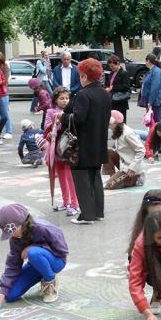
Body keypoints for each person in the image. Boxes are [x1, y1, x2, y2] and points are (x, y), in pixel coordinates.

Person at [58, 58, 111, 224]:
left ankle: (87, 215)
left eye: (80, 74)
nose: (79, 77)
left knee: (82, 179)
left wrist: (63, 116)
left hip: (83, 144)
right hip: (99, 142)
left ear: (85, 77)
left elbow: (78, 118)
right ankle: (98, 212)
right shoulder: (104, 93)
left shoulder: (83, 94)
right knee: (95, 177)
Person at [0, 204, 68, 307]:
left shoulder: (43, 228)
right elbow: (13, 265)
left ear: (23, 222)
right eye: (10, 233)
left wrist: (32, 247)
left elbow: (62, 250)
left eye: (14, 230)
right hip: (36, 264)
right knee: (10, 296)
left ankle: (50, 280)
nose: (13, 235)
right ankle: (43, 273)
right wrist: (3, 292)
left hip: (56, 261)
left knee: (33, 253)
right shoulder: (14, 239)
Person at [44, 87, 79, 217]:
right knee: (61, 176)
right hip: (55, 149)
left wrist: (63, 119)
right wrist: (54, 124)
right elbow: (46, 127)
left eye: (67, 98)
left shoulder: (71, 112)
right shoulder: (50, 111)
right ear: (55, 100)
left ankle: (75, 204)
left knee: (70, 177)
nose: (65, 101)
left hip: (68, 148)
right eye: (61, 98)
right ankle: (66, 202)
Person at [103, 110, 146, 189]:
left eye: (109, 124)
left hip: (131, 169)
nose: (108, 126)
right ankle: (113, 177)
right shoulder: (118, 131)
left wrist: (133, 168)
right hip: (124, 164)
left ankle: (136, 179)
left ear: (115, 123)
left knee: (110, 185)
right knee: (107, 152)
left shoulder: (128, 133)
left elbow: (141, 150)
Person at [0, 51, 13, 140]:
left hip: (3, 93)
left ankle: (9, 131)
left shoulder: (5, 67)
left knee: (5, 113)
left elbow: (4, 81)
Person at [140, 53, 161, 123]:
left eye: (146, 61)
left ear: (148, 61)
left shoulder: (156, 71)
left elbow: (155, 88)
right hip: (151, 102)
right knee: (151, 122)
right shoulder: (152, 71)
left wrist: (150, 101)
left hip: (155, 102)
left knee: (155, 122)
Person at [105, 54, 131, 121]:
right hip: (113, 101)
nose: (111, 68)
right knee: (113, 121)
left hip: (121, 101)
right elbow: (109, 84)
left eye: (113, 66)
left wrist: (112, 87)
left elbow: (126, 86)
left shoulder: (124, 73)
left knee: (121, 121)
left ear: (118, 63)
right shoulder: (111, 73)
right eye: (110, 66)